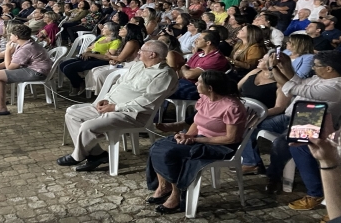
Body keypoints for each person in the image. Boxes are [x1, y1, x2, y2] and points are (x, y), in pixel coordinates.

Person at [58, 40, 178, 172]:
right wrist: (105, 99)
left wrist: (115, 107)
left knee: (88, 127)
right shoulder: (138, 65)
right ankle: (97, 154)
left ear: (152, 55)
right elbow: (119, 84)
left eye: (141, 50)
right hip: (110, 105)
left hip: (132, 114)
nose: (138, 52)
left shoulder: (164, 74)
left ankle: (78, 156)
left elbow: (148, 102)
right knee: (72, 114)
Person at [145, 70, 246, 215]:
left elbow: (231, 138)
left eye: (199, 82)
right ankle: (163, 186)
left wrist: (195, 139)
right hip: (200, 138)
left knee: (169, 152)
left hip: (221, 146)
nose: (196, 84)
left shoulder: (232, 107)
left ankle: (176, 193)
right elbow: (198, 122)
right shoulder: (205, 98)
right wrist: (186, 135)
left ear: (210, 88)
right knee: (158, 146)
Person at [262, 51, 341, 210]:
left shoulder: (337, 87)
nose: (313, 68)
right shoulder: (321, 78)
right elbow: (297, 82)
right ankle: (266, 171)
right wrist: (286, 65)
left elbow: (294, 89)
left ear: (329, 68)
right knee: (251, 126)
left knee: (297, 147)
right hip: (294, 117)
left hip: (314, 123)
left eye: (316, 65)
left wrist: (273, 68)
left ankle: (315, 193)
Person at [0, 24, 53, 116]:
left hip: (37, 72)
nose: (10, 36)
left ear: (16, 37)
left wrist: (8, 51)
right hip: (32, 69)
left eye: (12, 35)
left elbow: (9, 67)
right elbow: (14, 60)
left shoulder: (26, 48)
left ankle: (0, 108)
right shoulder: (25, 43)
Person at [61, 22, 121, 96]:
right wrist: (87, 52)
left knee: (68, 68)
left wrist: (91, 54)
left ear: (112, 31)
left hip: (100, 60)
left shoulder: (116, 41)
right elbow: (89, 47)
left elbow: (108, 57)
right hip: (91, 56)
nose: (102, 29)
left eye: (105, 28)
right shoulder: (102, 38)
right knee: (62, 65)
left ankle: (77, 85)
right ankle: (80, 82)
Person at [84, 23, 145, 96]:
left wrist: (109, 56)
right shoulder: (125, 41)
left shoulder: (132, 42)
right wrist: (114, 60)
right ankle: (98, 94)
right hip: (124, 64)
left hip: (131, 67)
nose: (120, 29)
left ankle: (103, 96)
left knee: (101, 75)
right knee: (95, 70)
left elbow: (120, 58)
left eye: (123, 28)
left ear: (130, 31)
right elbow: (121, 58)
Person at [167, 31, 229, 102]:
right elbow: (183, 72)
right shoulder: (199, 54)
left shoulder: (216, 59)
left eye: (199, 39)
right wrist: (185, 69)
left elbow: (189, 75)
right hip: (183, 82)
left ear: (208, 43)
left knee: (162, 90)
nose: (195, 40)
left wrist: (183, 67)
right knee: (159, 86)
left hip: (198, 88)